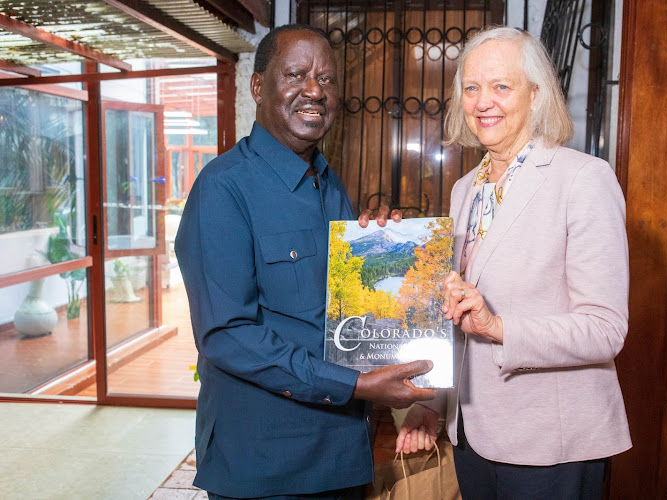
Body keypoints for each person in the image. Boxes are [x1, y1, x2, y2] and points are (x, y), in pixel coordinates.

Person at [175, 24, 435, 500]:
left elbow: (340, 308)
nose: (315, 89)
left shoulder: (327, 181)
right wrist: (354, 384)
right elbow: (227, 336)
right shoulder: (222, 189)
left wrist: (380, 245)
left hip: (341, 457)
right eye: (296, 74)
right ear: (259, 86)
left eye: (328, 78)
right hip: (267, 467)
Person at [394, 26, 632, 499]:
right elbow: (455, 321)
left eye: (501, 86)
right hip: (472, 437)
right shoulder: (465, 190)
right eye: (472, 87)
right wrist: (434, 407)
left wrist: (500, 327)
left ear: (536, 94)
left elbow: (606, 329)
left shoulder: (583, 179)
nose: (484, 102)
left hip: (552, 445)